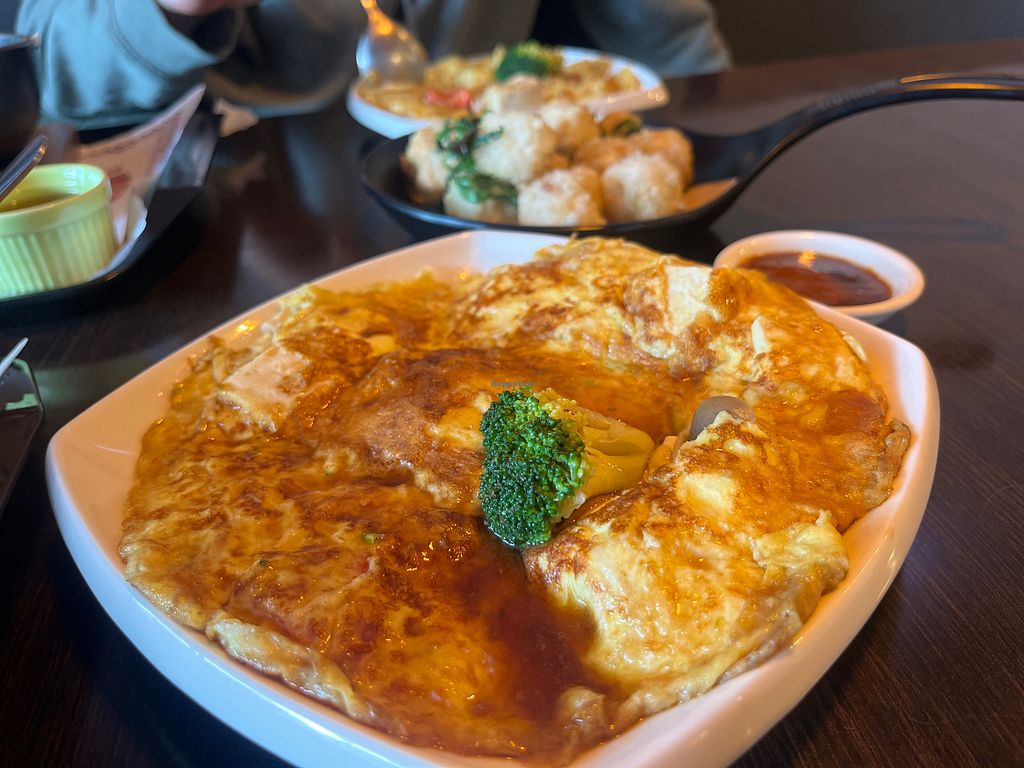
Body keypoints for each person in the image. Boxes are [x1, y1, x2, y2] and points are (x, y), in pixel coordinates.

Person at [15, 0, 730, 130]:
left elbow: (672, 45)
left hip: (509, 160)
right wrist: (172, 9)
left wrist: (717, 131)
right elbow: (52, 68)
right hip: (262, 205)